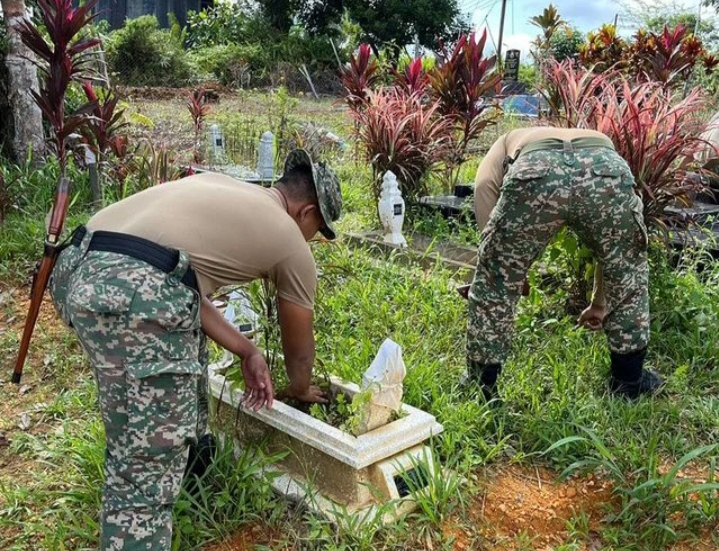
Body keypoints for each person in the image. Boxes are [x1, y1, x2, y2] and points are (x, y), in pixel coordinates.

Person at [48, 149, 342, 550]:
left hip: (74, 266)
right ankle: (146, 485)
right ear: (307, 212)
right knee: (144, 474)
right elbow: (300, 351)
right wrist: (301, 387)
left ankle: (191, 462)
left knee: (170, 352)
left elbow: (172, 281)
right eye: (318, 230)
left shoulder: (228, 190)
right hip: (131, 288)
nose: (312, 239)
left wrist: (247, 350)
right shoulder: (291, 240)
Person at [465, 127, 663, 400]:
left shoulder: (507, 139)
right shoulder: (595, 138)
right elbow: (613, 255)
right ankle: (628, 382)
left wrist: (500, 264)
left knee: (494, 280)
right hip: (604, 168)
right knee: (626, 269)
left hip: (536, 169)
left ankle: (482, 386)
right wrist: (599, 303)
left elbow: (484, 186)